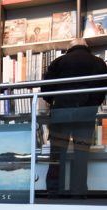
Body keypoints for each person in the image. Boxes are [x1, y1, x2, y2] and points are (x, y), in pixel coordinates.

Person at [41, 38, 107, 197]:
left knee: (57, 153)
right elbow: (103, 90)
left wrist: (54, 102)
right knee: (81, 153)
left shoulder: (59, 61)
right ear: (86, 47)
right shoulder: (99, 62)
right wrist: (92, 104)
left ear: (69, 48)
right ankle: (79, 191)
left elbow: (46, 89)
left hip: (61, 113)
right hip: (86, 112)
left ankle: (55, 190)